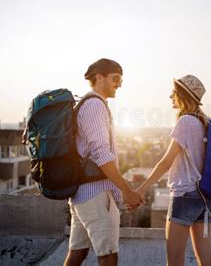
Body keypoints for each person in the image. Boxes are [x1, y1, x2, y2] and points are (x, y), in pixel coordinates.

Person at [64, 58, 144, 266]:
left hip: (84, 195)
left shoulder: (89, 104)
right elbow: (102, 154)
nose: (119, 84)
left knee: (77, 254)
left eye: (121, 80)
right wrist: (127, 191)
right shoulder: (94, 106)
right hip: (95, 195)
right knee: (108, 256)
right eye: (115, 78)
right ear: (98, 77)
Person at [136, 75, 211, 266]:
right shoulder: (205, 122)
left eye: (174, 92)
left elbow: (165, 163)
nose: (170, 96)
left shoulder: (186, 122)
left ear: (182, 95)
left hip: (184, 196)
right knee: (205, 258)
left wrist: (141, 189)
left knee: (175, 260)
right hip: (205, 198)